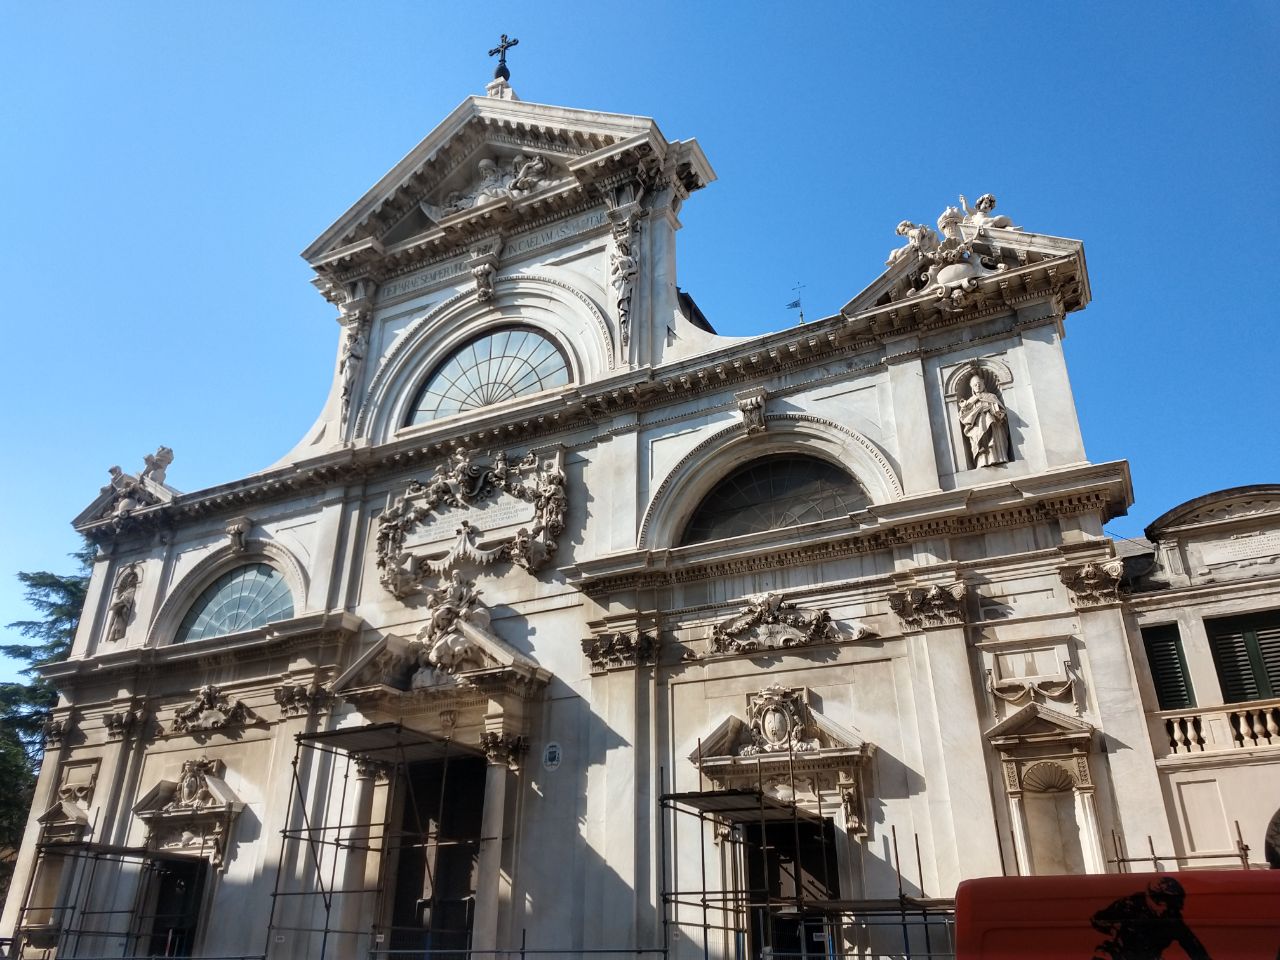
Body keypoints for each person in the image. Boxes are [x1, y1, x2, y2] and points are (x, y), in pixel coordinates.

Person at [1091, 876, 1211, 960]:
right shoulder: (1128, 905)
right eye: (1170, 906)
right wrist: (1115, 927)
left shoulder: (1172, 919)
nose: (1174, 910)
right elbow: (1097, 919)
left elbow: (1193, 946)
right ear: (1156, 900)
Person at [958, 372, 1010, 467]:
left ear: (983, 384)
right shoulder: (970, 401)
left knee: (994, 440)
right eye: (975, 385)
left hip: (993, 425)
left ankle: (998, 458)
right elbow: (963, 416)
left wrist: (997, 413)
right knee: (980, 440)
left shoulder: (991, 397)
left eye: (979, 384)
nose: (978, 386)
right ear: (972, 388)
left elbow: (1002, 411)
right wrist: (967, 409)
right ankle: (983, 461)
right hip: (978, 427)